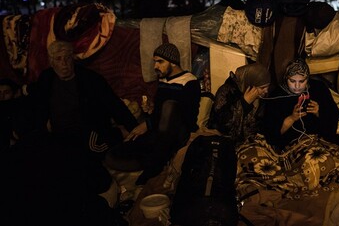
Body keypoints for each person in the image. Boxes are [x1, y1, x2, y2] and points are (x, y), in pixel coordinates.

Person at [3, 40, 137, 226]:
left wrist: (135, 127)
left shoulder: (90, 79)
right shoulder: (48, 78)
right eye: (59, 59)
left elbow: (113, 104)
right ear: (51, 61)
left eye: (67, 58)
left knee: (91, 150)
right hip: (59, 134)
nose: (64, 64)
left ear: (73, 59)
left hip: (88, 130)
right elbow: (34, 97)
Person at [235, 58, 339, 198]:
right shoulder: (277, 96)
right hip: (291, 146)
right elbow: (271, 135)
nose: (297, 86)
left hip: (319, 139)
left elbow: (332, 122)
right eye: (292, 81)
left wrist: (319, 112)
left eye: (302, 81)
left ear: (308, 79)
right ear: (286, 79)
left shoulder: (318, 89)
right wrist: (291, 118)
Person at [106, 42, 202, 186]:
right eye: (154, 62)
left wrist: (149, 123)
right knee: (114, 155)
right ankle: (156, 159)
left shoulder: (189, 81)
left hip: (178, 132)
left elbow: (185, 115)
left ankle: (155, 165)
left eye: (160, 62)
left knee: (169, 106)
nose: (155, 66)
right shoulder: (163, 80)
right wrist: (151, 111)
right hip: (158, 131)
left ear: (173, 63)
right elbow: (158, 113)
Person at [207, 62, 271, 147]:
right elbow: (224, 125)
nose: (266, 91)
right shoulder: (227, 91)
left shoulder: (261, 98)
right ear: (250, 84)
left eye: (268, 87)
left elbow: (260, 126)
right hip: (221, 142)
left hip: (248, 144)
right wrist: (244, 103)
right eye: (262, 88)